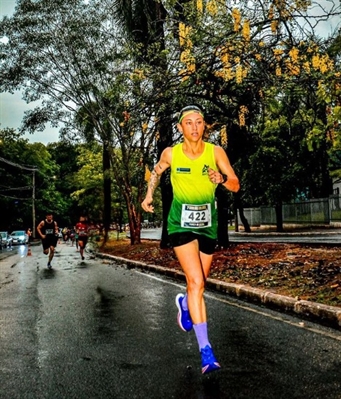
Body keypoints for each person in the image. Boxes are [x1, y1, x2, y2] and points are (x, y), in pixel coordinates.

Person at [141, 105, 240, 374]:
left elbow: (235, 183)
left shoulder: (215, 151)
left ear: (204, 126)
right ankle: (206, 352)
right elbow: (156, 172)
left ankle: (185, 303)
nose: (194, 127)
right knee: (195, 281)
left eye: (199, 122)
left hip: (208, 227)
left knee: (199, 285)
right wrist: (149, 195)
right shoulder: (171, 153)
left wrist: (221, 179)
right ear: (180, 128)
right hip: (180, 225)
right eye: (189, 123)